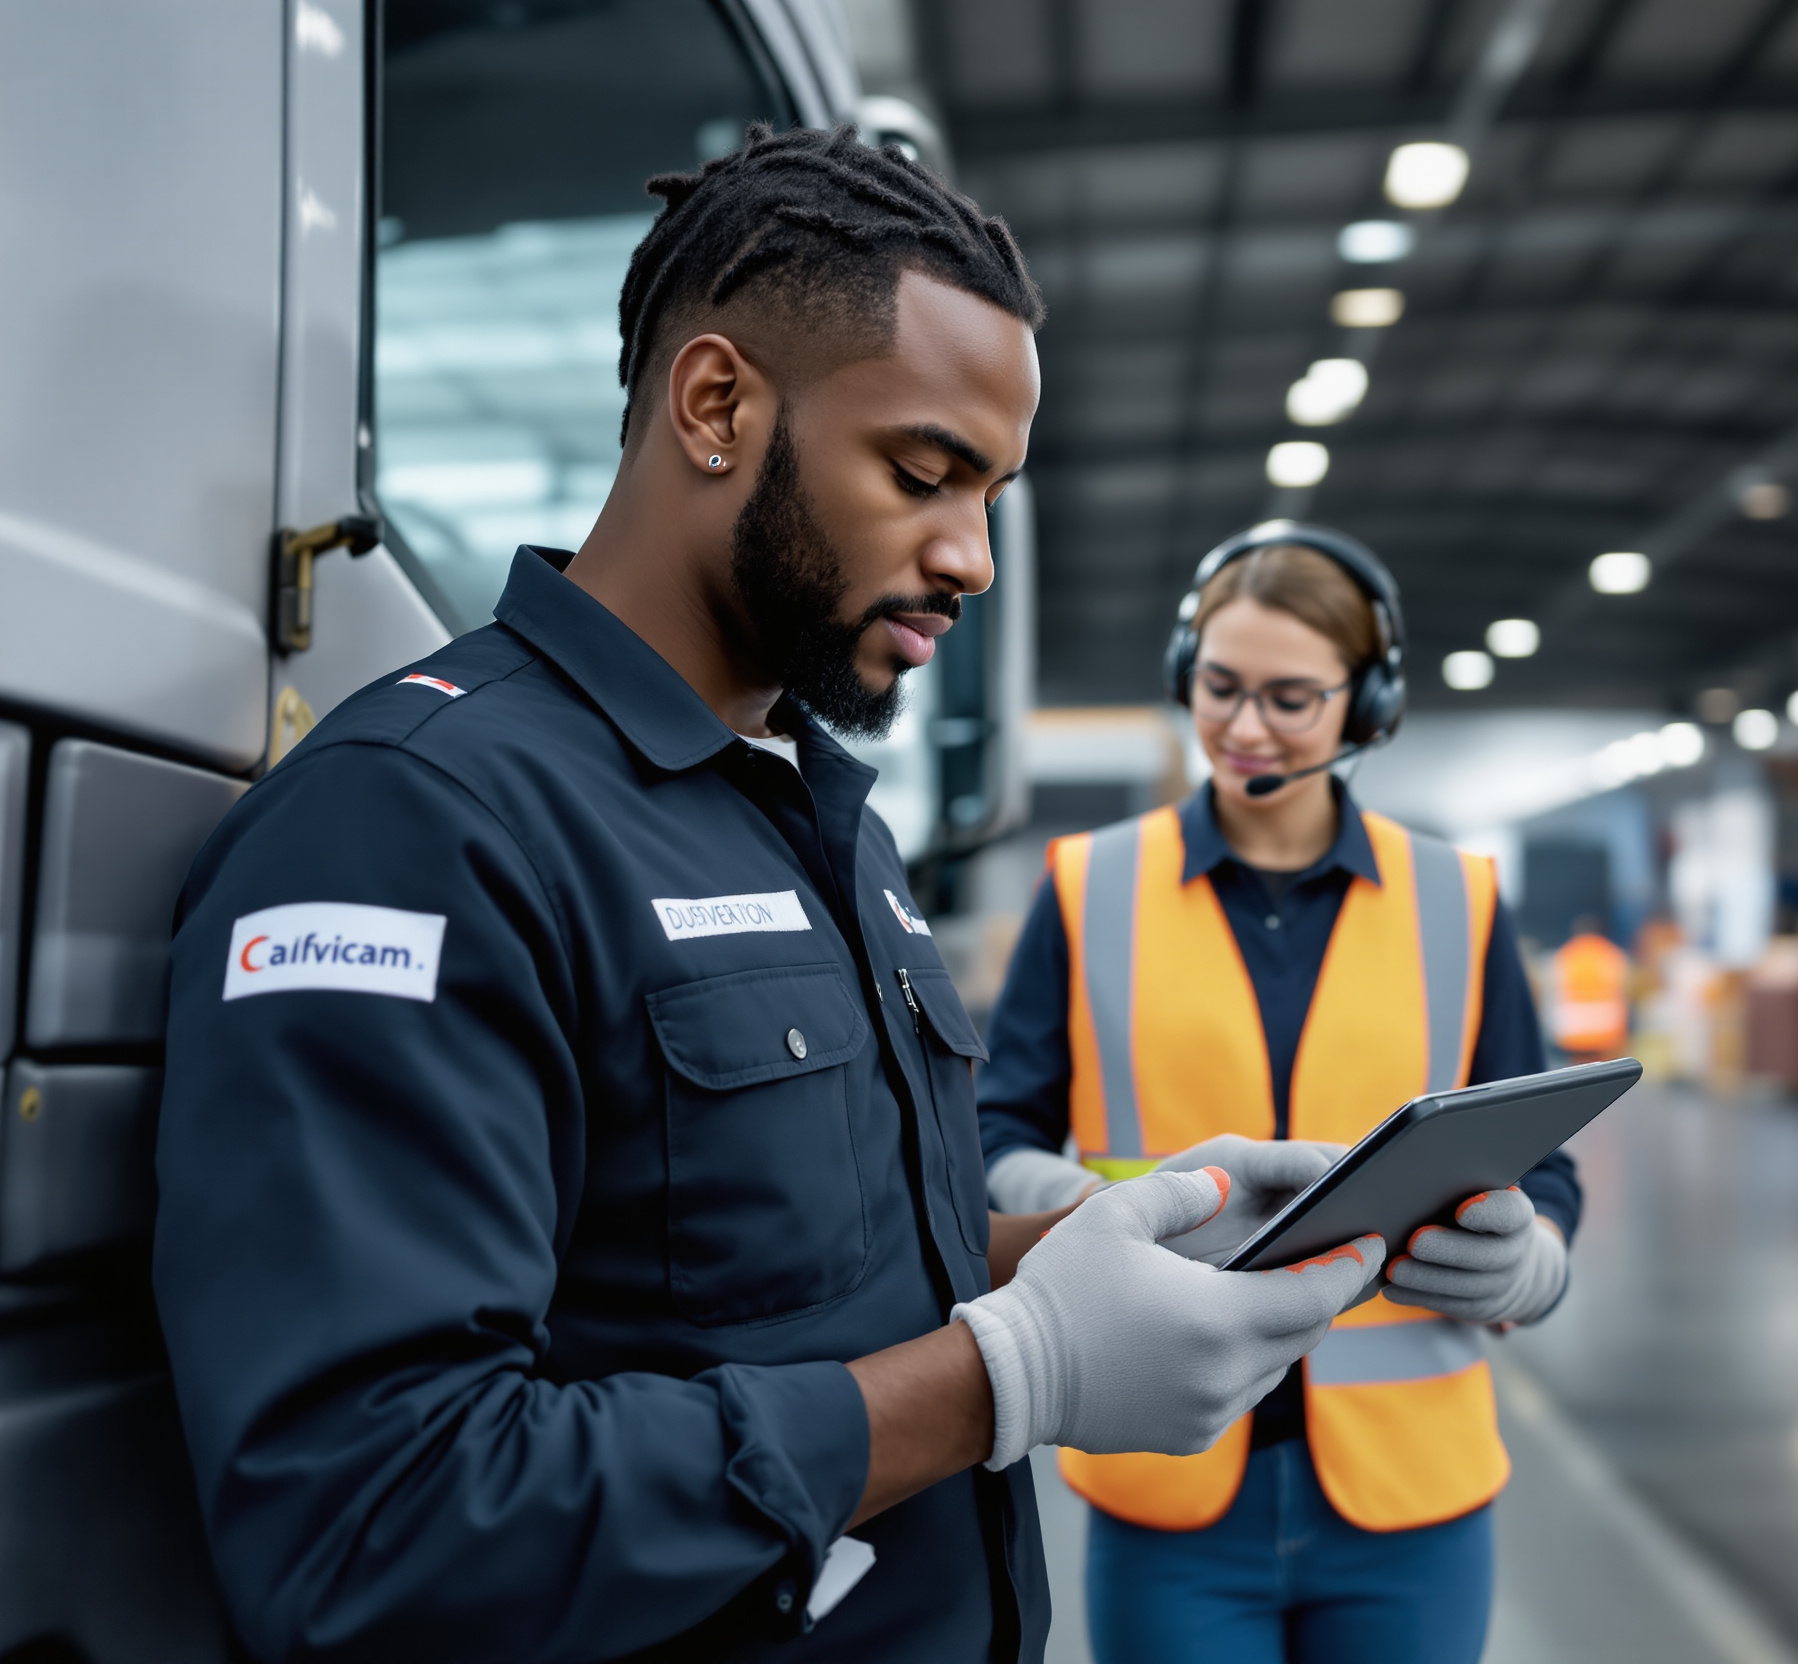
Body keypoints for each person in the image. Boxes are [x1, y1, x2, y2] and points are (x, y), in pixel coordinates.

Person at [152, 127, 1383, 1664]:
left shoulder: (824, 827)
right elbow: (374, 1528)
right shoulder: (414, 826)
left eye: (992, 495)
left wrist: (1117, 1246)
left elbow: (798, 1280)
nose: (972, 557)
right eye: (924, 475)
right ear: (718, 405)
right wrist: (1004, 1378)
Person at [978, 525, 1584, 1664]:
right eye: (1219, 686)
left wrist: (1531, 1264)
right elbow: (997, 1126)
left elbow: (1539, 1154)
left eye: (1291, 699)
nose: (1245, 727)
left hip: (1410, 1492)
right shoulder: (1090, 885)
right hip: (1170, 1475)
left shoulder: (1458, 897)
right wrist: (1094, 1210)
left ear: (1368, 705)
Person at [1549, 914, 1631, 1059]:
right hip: (1606, 1025)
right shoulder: (1610, 953)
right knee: (1608, 1066)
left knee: (1579, 1065)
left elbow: (1555, 990)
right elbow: (1624, 988)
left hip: (1575, 1027)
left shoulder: (1566, 954)